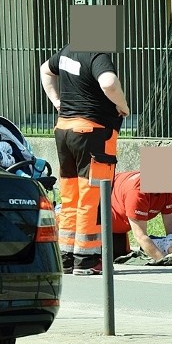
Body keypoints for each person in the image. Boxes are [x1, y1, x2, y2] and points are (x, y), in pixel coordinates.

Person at [40, 44, 130, 275]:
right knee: (93, 197)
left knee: (70, 196)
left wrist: (57, 102)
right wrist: (122, 105)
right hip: (94, 134)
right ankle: (86, 259)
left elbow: (45, 70)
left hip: (64, 131)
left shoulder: (67, 52)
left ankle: (65, 257)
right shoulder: (97, 54)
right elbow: (109, 83)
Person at [111, 170, 172, 262]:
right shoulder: (136, 193)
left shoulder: (167, 188)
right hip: (103, 221)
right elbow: (140, 235)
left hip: (122, 223)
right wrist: (163, 260)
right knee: (110, 258)